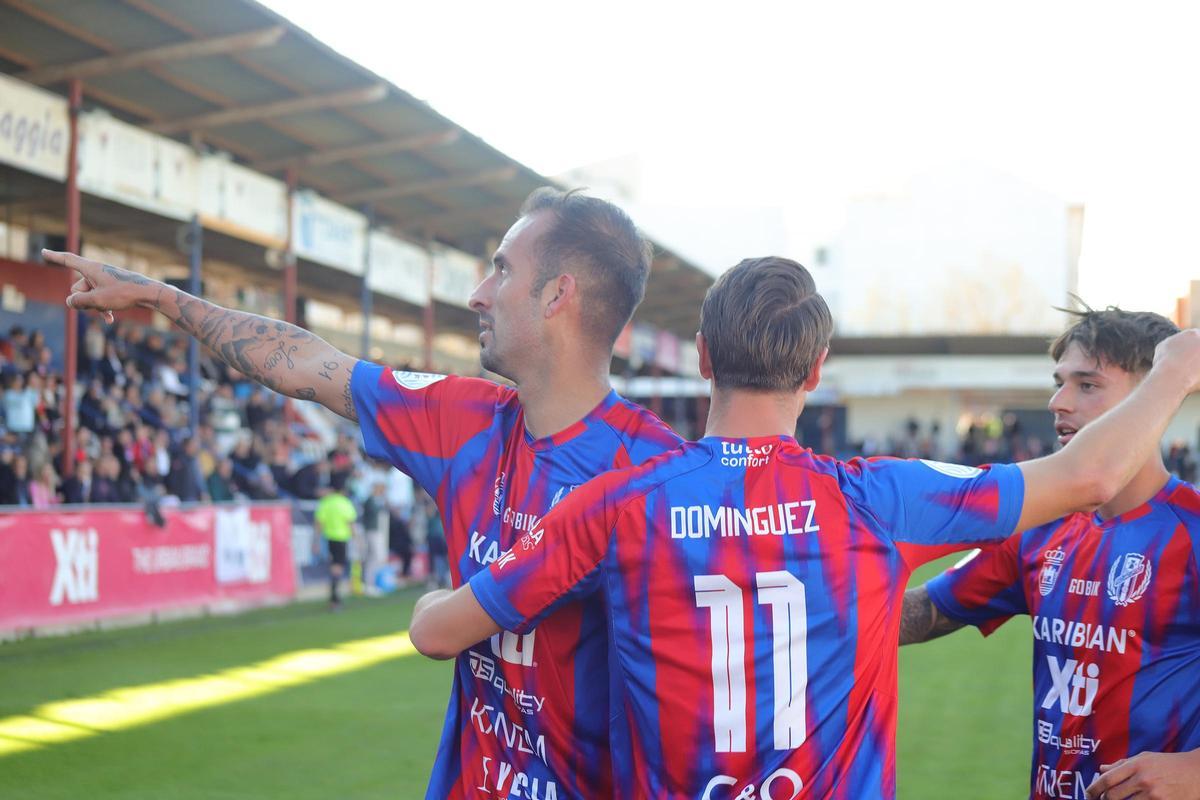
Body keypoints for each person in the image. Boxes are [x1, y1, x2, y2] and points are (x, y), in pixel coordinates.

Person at [407, 258, 1200, 799]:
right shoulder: (878, 497)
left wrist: (431, 601)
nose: (1061, 401)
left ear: (703, 356)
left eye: (1083, 384)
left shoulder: (617, 502)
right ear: (817, 370)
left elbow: (440, 632)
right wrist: (1174, 371)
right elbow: (1082, 480)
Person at [46, 186, 682, 798]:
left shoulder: (663, 478)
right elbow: (307, 365)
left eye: (501, 271)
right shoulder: (466, 418)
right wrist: (159, 296)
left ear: (557, 295)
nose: (478, 295)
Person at [899, 306, 1200, 800]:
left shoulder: (1192, 530)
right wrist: (797, 611)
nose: (1058, 402)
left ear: (1156, 396)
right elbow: (926, 612)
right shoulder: (1041, 529)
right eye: (1059, 383)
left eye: (1087, 385)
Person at [314, 478, 357, 609]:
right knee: (338, 566)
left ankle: (334, 595)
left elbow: (319, 522)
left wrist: (315, 540)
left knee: (334, 565)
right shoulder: (345, 503)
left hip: (329, 538)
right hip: (341, 538)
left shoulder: (325, 502)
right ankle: (335, 597)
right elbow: (350, 523)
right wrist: (357, 539)